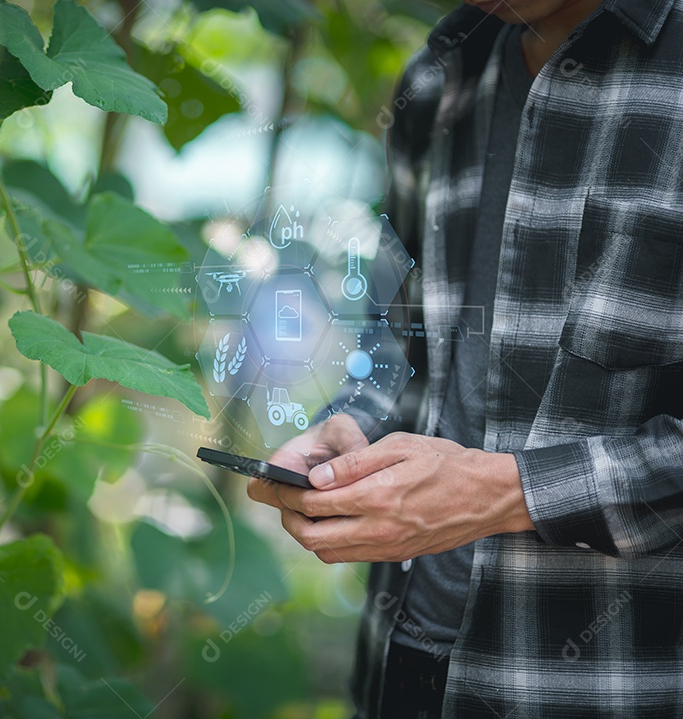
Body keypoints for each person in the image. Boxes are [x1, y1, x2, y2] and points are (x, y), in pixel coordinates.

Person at [246, 0, 683, 717]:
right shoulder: (436, 81)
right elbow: (400, 346)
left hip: (607, 684)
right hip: (404, 660)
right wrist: (350, 430)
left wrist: (510, 492)